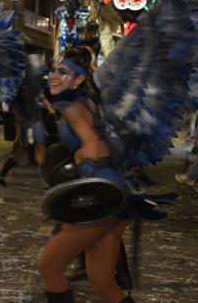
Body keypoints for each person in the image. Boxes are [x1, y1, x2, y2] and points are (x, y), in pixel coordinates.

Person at [39, 47, 134, 303]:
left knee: (49, 267)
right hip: (116, 190)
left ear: (80, 78)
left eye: (63, 72)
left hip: (100, 194)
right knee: (103, 283)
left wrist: (84, 185)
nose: (53, 76)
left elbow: (91, 142)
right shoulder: (89, 101)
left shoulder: (68, 103)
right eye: (52, 70)